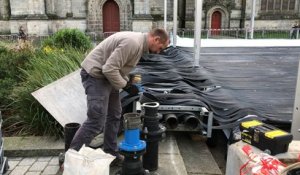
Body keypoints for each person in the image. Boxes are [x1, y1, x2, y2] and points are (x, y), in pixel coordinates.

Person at [69, 28, 169, 163]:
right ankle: (71, 159)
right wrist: (126, 86)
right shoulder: (133, 43)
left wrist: (127, 81)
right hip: (96, 76)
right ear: (156, 39)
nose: (159, 52)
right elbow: (109, 68)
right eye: (160, 48)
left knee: (115, 114)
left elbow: (118, 67)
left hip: (107, 77)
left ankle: (111, 152)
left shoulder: (139, 45)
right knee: (96, 120)